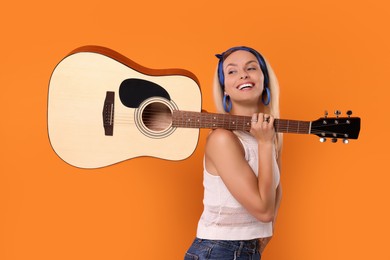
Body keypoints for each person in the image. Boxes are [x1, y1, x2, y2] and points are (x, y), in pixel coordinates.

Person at [185, 46, 283, 260]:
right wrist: (265, 145)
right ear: (225, 88)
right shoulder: (222, 139)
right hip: (218, 251)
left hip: (245, 251)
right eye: (232, 71)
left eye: (251, 68)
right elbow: (263, 211)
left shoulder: (265, 136)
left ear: (264, 79)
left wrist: (260, 241)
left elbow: (274, 197)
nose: (243, 74)